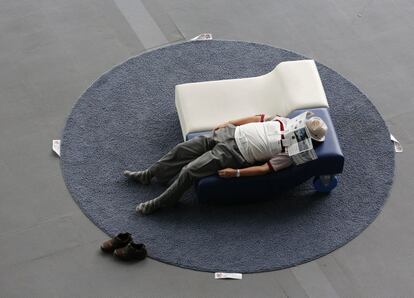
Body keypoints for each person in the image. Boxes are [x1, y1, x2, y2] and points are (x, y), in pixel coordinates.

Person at [124, 112, 328, 215]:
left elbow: (265, 169)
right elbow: (257, 118)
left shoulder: (289, 153)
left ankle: (162, 203)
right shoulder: (283, 120)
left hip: (233, 153)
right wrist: (229, 123)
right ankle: (150, 174)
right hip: (230, 133)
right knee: (181, 149)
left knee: (190, 170)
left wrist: (237, 173)